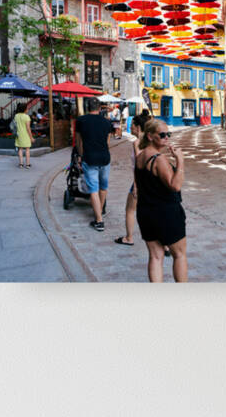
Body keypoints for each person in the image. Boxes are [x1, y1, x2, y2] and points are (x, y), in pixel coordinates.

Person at [134, 118, 187, 282]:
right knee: (179, 254)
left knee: (156, 257)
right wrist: (180, 161)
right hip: (166, 213)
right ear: (150, 136)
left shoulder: (140, 156)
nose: (166, 137)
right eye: (162, 134)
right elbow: (175, 185)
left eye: (168, 134)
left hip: (145, 212)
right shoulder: (158, 159)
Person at [75, 98, 113, 231]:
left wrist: (80, 155)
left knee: (93, 189)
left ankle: (99, 220)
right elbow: (108, 143)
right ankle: (100, 211)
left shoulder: (81, 121)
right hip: (105, 157)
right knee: (103, 187)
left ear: (87, 107)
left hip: (90, 158)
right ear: (99, 108)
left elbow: (78, 141)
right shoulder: (107, 122)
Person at [114, 113, 150, 247]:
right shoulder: (151, 140)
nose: (130, 128)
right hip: (152, 180)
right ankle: (164, 243)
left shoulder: (137, 142)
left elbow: (139, 166)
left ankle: (129, 237)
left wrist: (136, 185)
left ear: (138, 127)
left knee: (130, 209)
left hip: (141, 181)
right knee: (153, 210)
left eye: (132, 125)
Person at [13, 102, 34, 169]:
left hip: (19, 135)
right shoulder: (26, 117)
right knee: (27, 149)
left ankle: (21, 164)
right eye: (27, 108)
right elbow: (28, 128)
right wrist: (31, 138)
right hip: (26, 135)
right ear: (25, 109)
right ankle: (27, 165)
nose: (27, 109)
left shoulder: (16, 116)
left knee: (20, 149)